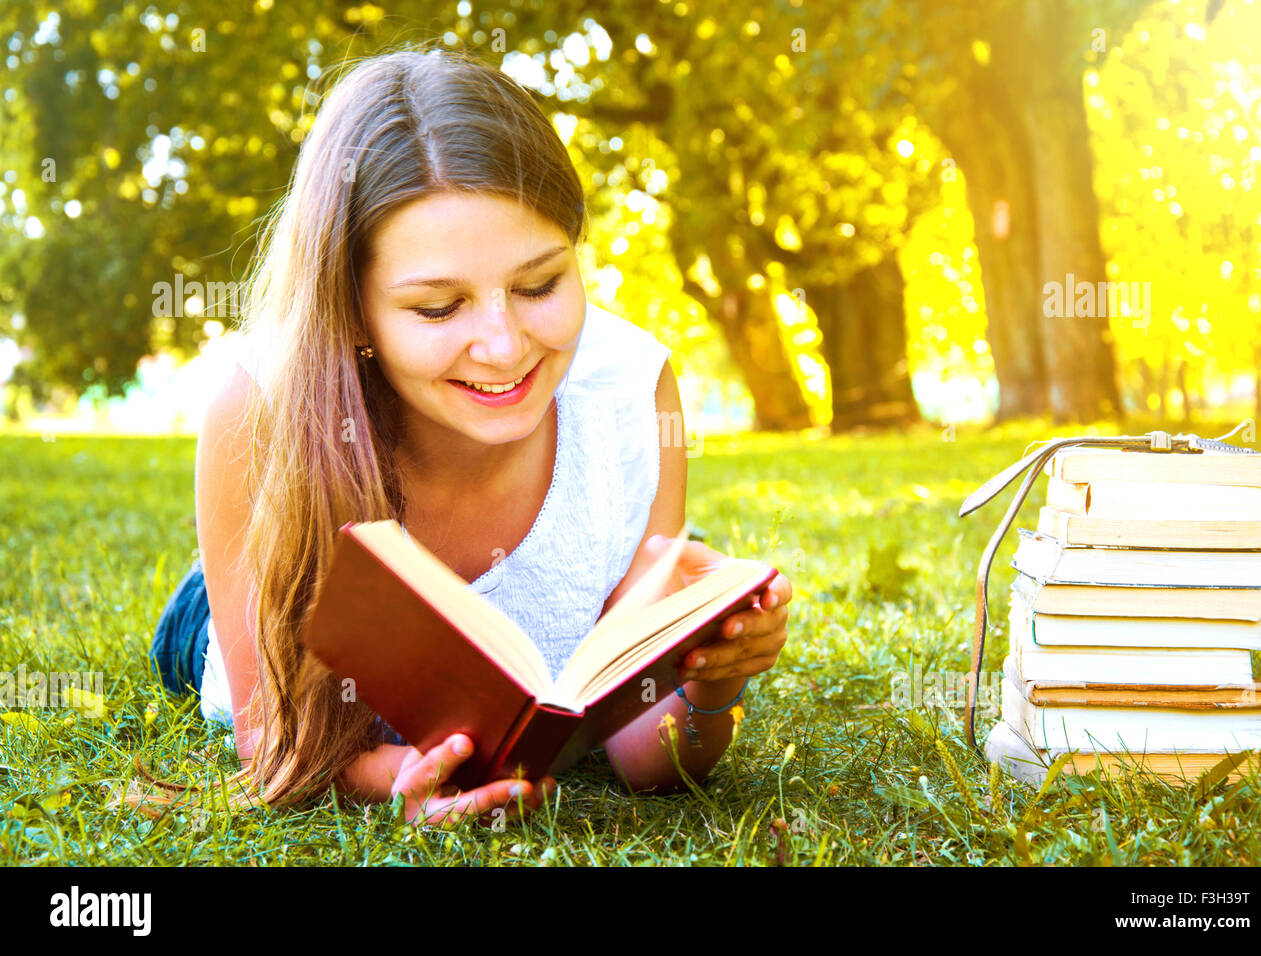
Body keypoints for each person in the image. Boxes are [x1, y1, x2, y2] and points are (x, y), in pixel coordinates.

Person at [146, 45, 793, 828]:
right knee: (211, 624)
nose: (504, 345)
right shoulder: (258, 400)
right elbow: (275, 744)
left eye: (539, 284)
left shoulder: (631, 388)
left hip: (574, 575)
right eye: (437, 308)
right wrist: (399, 780)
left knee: (665, 579)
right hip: (231, 612)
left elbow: (644, 761)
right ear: (352, 309)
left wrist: (709, 687)